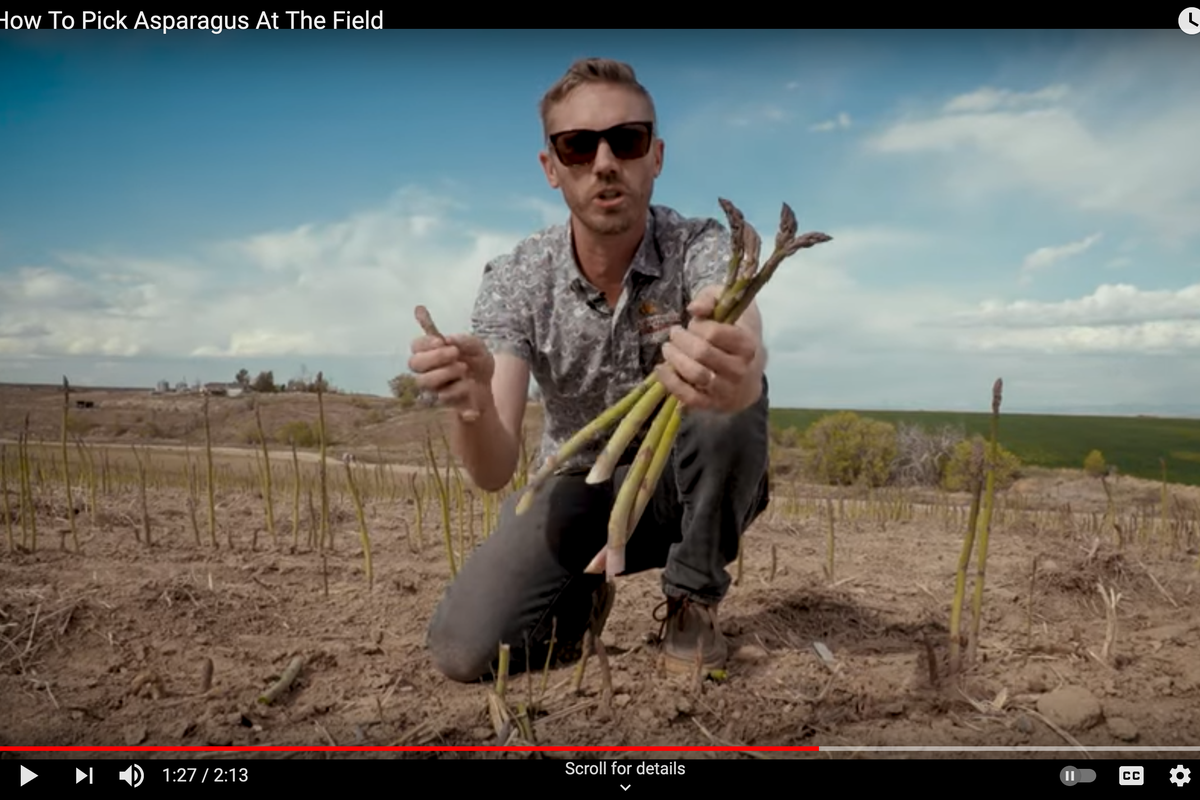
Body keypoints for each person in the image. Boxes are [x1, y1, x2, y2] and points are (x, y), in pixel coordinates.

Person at [408, 57, 771, 684]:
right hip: (576, 488)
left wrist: (736, 364)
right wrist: (470, 406)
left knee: (724, 402)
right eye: (578, 146)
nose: (604, 162)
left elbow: (744, 333)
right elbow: (494, 470)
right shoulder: (519, 277)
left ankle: (691, 599)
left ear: (654, 156)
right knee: (467, 652)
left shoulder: (703, 244)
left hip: (683, 487)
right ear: (552, 169)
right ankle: (577, 599)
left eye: (625, 140)